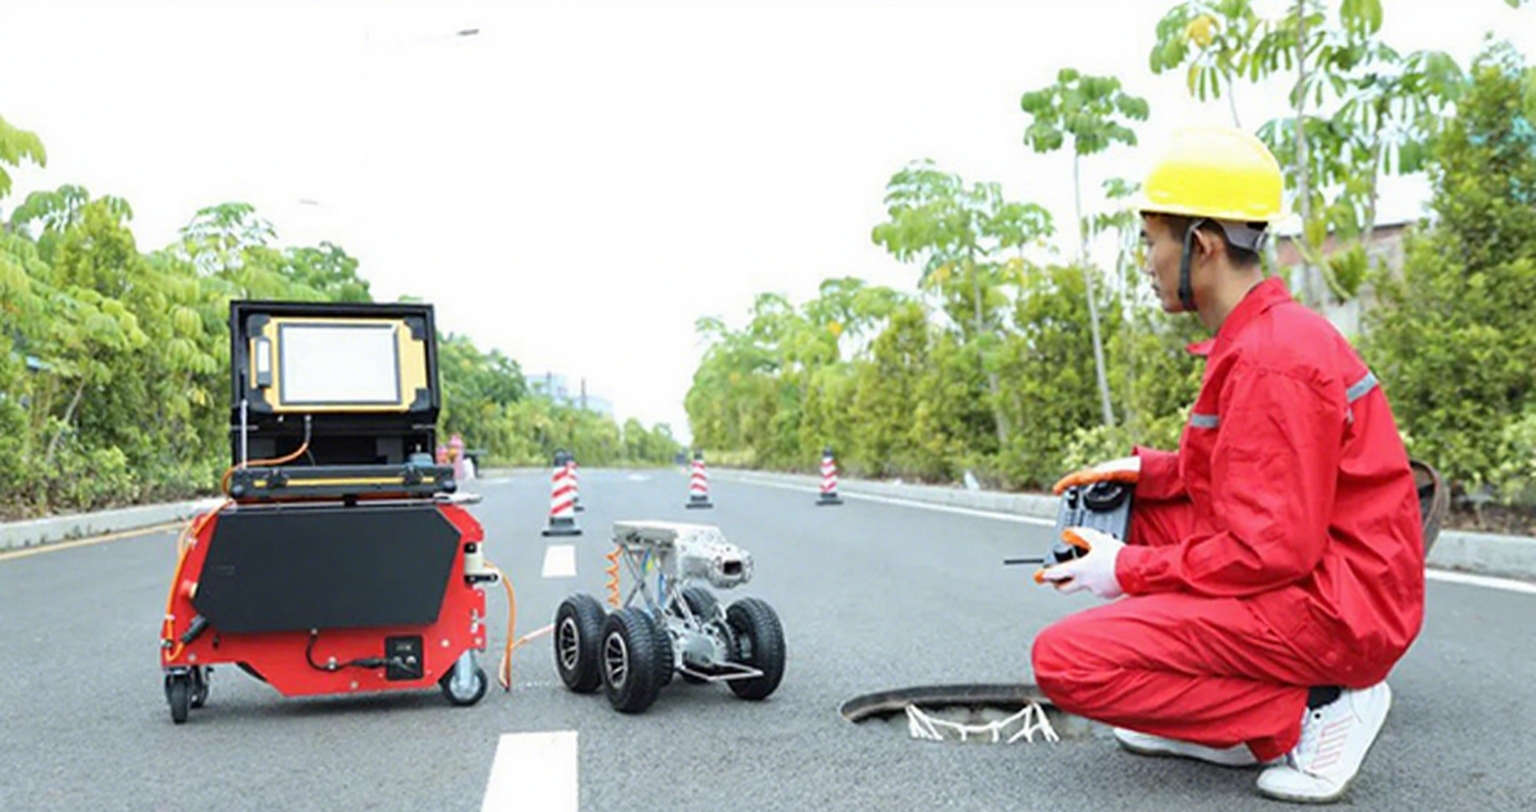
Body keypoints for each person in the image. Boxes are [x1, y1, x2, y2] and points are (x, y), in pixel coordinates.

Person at [1029, 125, 1425, 805]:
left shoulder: (1274, 360)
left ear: (1202, 246)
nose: (1146, 260)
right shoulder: (1260, 338)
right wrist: (1142, 472)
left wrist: (1123, 570)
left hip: (1337, 608)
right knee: (1142, 514)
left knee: (1065, 661)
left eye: (1151, 240)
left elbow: (1271, 548)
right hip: (1327, 577)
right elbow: (1241, 476)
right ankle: (1221, 719)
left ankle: (1311, 710)